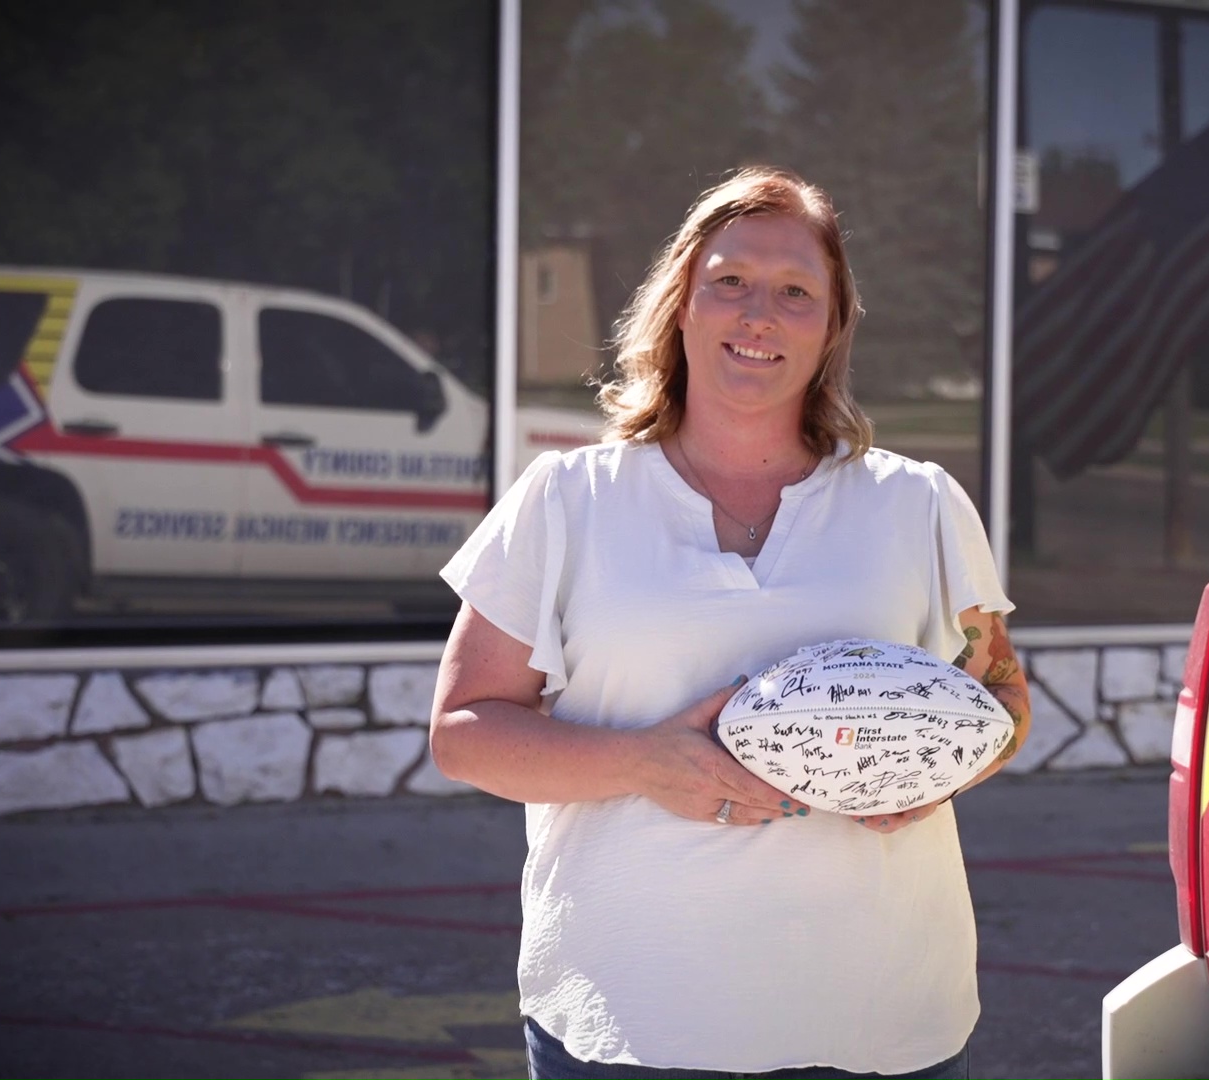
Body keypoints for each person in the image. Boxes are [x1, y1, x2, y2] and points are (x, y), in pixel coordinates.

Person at [429, 166, 1029, 1078]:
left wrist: (933, 775)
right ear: (681, 303)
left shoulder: (921, 505)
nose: (760, 315)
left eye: (796, 292)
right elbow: (463, 733)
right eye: (731, 282)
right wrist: (642, 761)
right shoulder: (567, 498)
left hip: (882, 1019)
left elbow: (1003, 698)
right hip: (631, 1023)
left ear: (832, 327)